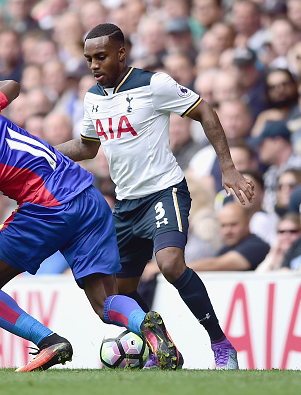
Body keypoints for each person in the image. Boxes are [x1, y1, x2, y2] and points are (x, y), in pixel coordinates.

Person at [0, 79, 182, 371]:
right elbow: (9, 84)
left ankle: (48, 341)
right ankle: (146, 324)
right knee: (106, 303)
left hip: (47, 213)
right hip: (87, 196)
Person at [55, 23, 256, 370]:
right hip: (127, 204)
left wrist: (228, 168)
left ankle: (221, 345)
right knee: (117, 295)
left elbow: (204, 110)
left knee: (170, 264)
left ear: (121, 53)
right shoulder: (93, 98)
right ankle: (164, 348)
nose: (93, 65)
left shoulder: (153, 84)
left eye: (101, 57)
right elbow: (87, 147)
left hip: (164, 192)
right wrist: (40, 151)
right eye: (88, 59)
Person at [189, 202, 270, 271]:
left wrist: (180, 269)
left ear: (247, 224)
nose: (228, 231)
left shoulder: (257, 247)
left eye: (233, 225)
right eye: (223, 225)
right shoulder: (224, 250)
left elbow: (215, 265)